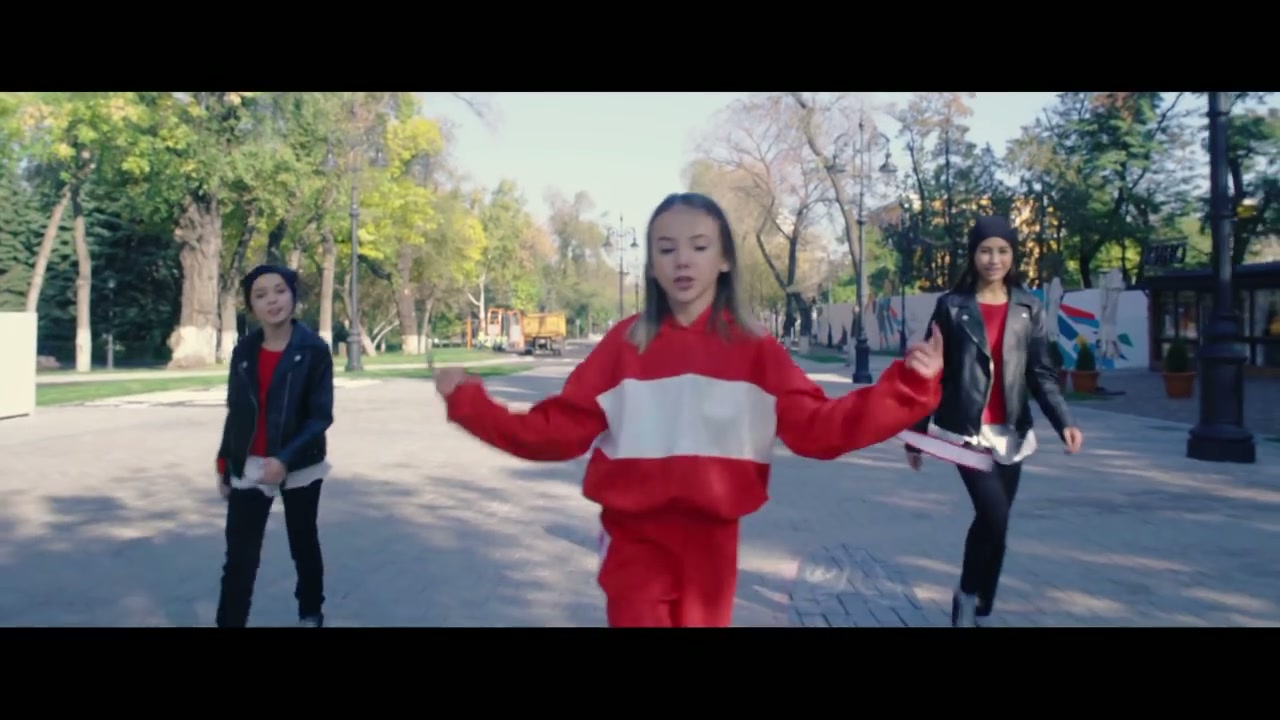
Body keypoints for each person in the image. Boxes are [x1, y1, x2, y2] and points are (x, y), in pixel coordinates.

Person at [434, 192, 945, 628]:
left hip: (712, 545)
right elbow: (554, 432)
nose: (682, 260)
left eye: (699, 246)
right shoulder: (623, 346)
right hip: (634, 541)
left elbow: (820, 430)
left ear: (724, 260)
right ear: (651, 265)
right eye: (666, 248)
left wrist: (909, 387)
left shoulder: (756, 350)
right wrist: (469, 404)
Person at [903, 216, 1084, 628]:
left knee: (996, 525)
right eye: (985, 250)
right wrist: (916, 437)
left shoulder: (1028, 307)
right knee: (994, 514)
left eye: (1003, 250)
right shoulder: (951, 306)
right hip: (965, 433)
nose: (994, 259)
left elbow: (1041, 373)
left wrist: (1064, 421)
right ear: (973, 254)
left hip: (1012, 433)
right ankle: (967, 595)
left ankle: (982, 602)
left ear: (1013, 255)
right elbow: (931, 375)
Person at [214, 264, 335, 628]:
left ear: (293, 297)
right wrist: (225, 464)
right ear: (251, 306)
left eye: (280, 291)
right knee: (240, 557)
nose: (272, 301)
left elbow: (320, 416)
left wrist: (284, 459)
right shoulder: (244, 351)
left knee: (303, 542)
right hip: (251, 463)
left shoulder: (313, 350)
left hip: (300, 462)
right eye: (261, 295)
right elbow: (236, 410)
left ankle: (310, 613)